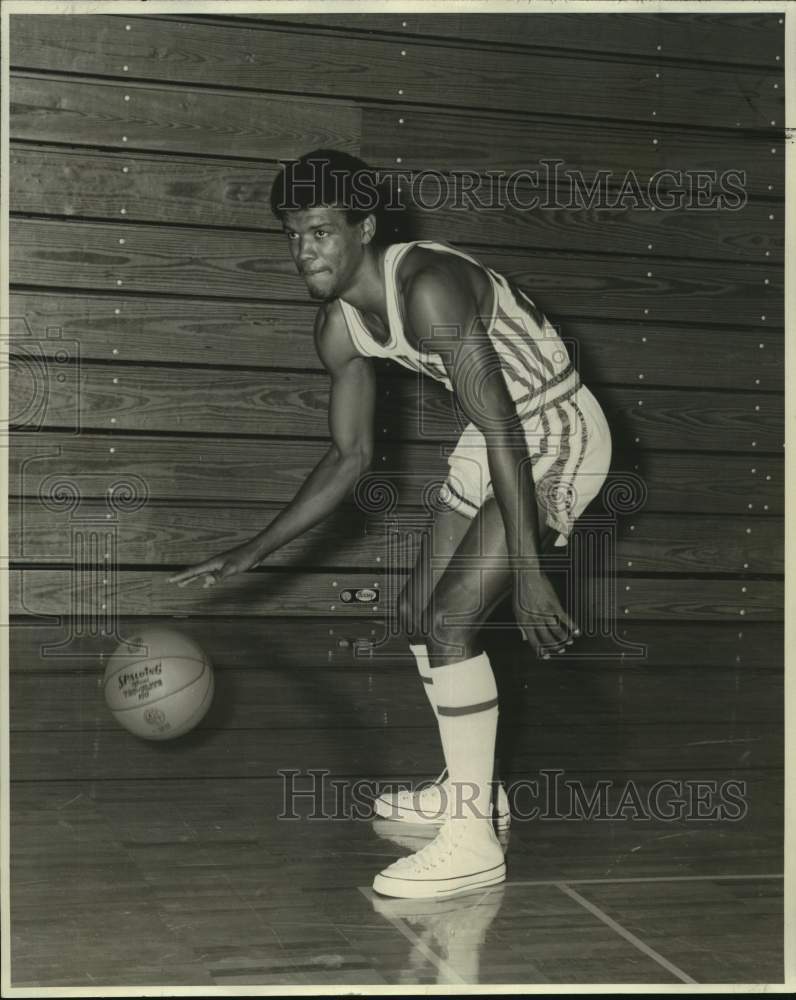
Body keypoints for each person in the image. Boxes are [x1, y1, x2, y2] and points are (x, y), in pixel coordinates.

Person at [168, 149, 612, 900]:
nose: (304, 250)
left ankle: (471, 839)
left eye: (320, 231)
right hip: (494, 435)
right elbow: (349, 459)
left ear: (363, 227)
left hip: (554, 430)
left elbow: (507, 424)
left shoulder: (428, 288)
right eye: (292, 235)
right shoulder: (338, 328)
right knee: (415, 616)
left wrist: (532, 568)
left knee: (451, 622)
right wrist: (250, 552)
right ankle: (467, 786)